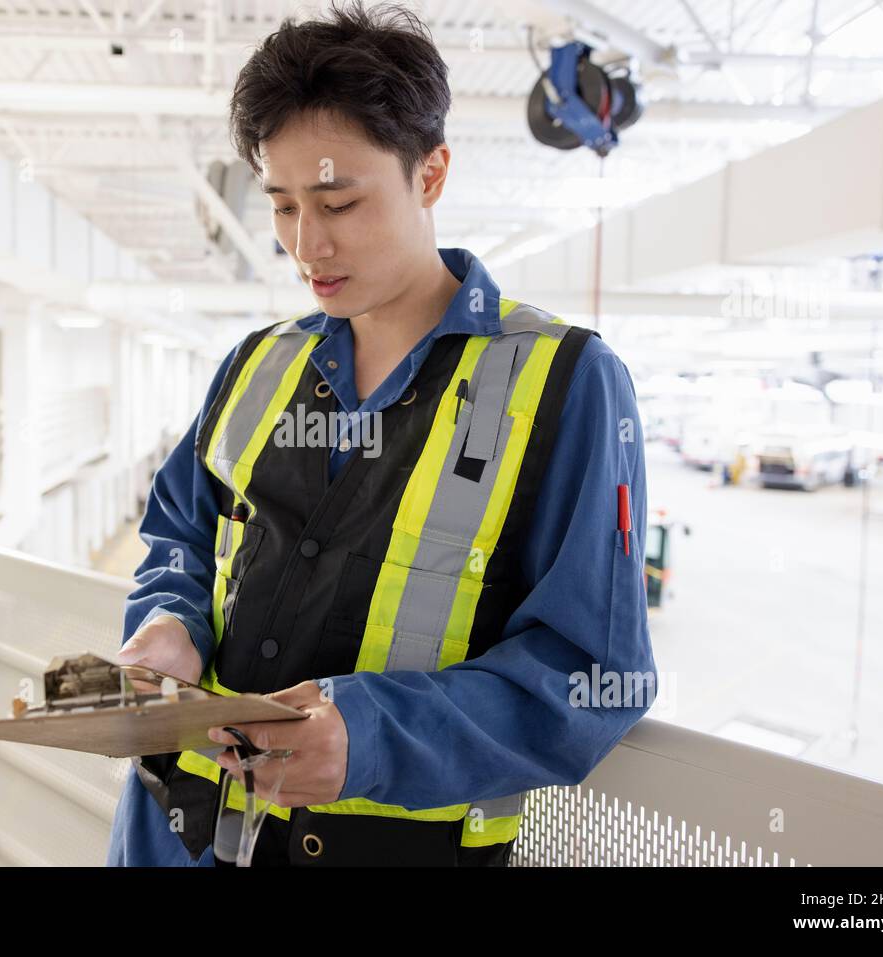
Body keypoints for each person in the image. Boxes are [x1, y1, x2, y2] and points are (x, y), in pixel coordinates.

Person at [106, 0, 656, 867]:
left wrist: (369, 738)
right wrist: (168, 621)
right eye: (283, 204)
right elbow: (179, 531)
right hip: (176, 835)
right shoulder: (258, 366)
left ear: (430, 174)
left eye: (339, 200)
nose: (304, 243)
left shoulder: (566, 384)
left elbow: (591, 673)